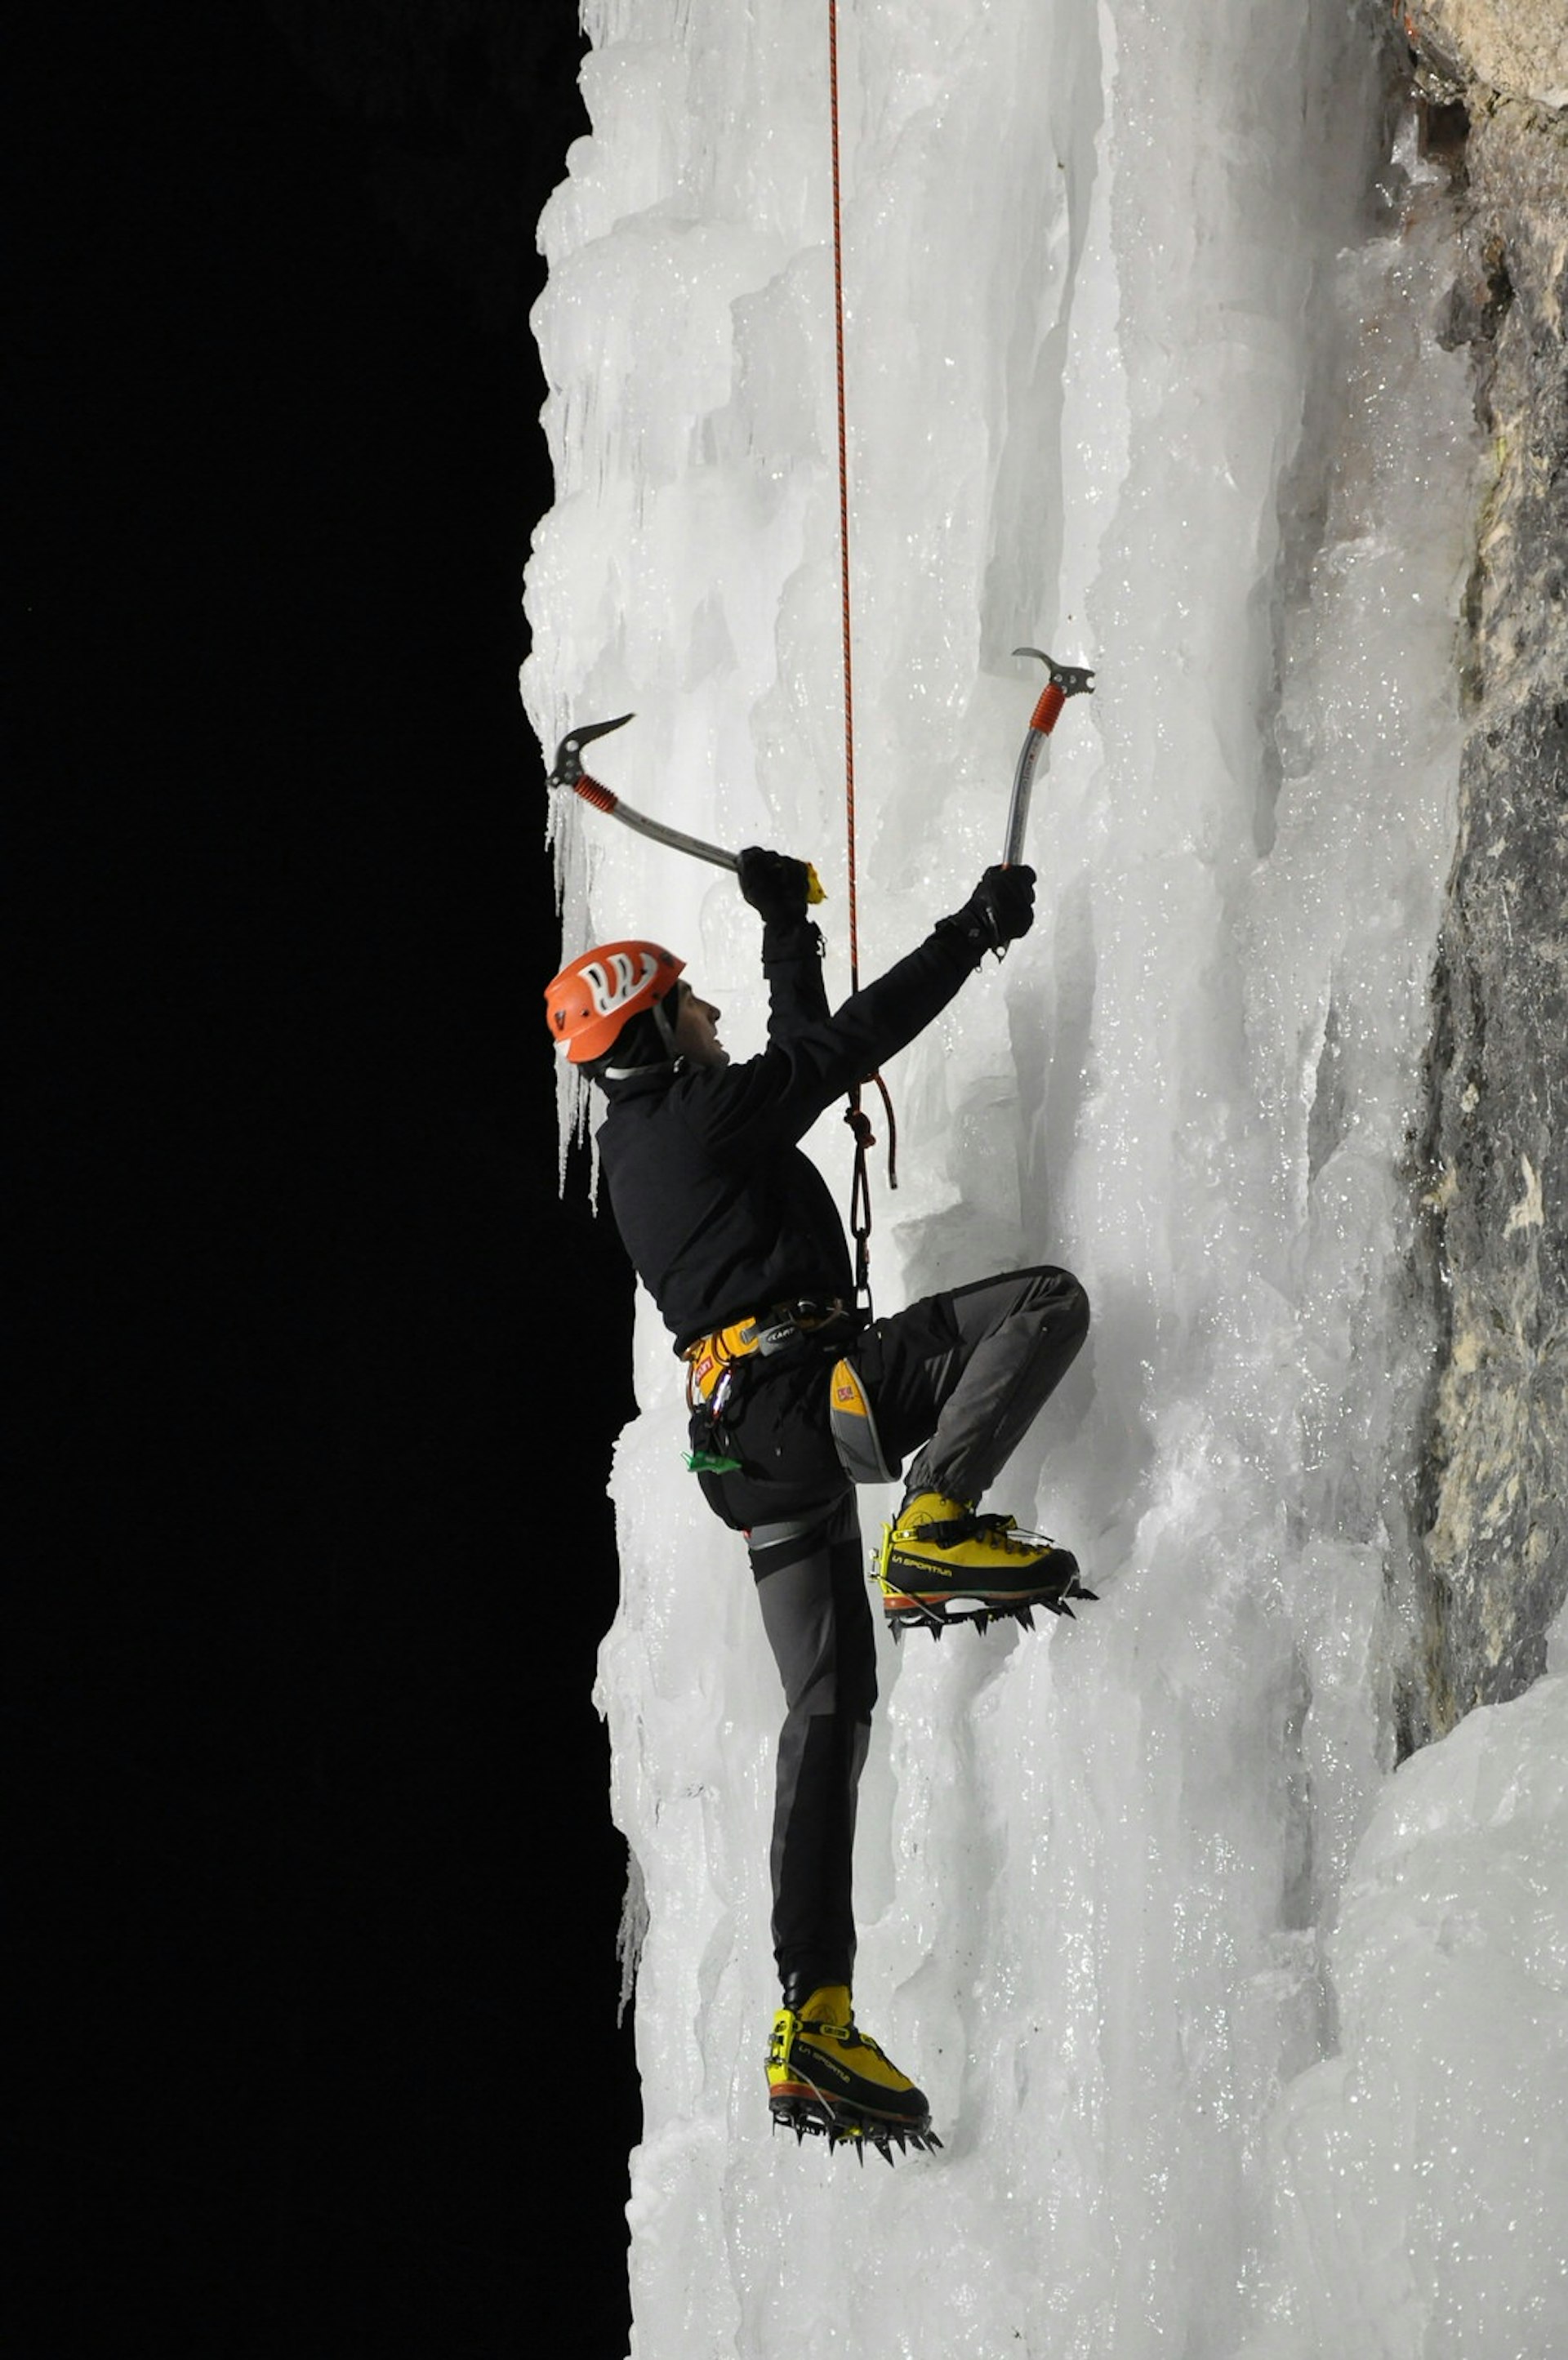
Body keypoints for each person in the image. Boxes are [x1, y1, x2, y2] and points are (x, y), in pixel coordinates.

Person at [545, 849, 1091, 2156]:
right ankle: (939, 1517)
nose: (711, 1019)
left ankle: (815, 2015)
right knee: (1044, 1303)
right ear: (651, 1029)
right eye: (690, 1005)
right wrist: (972, 930)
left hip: (753, 1452)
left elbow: (793, 1054)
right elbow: (845, 1049)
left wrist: (788, 926)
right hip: (813, 1395)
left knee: (829, 1708)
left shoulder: (650, 1147)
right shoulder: (696, 1118)